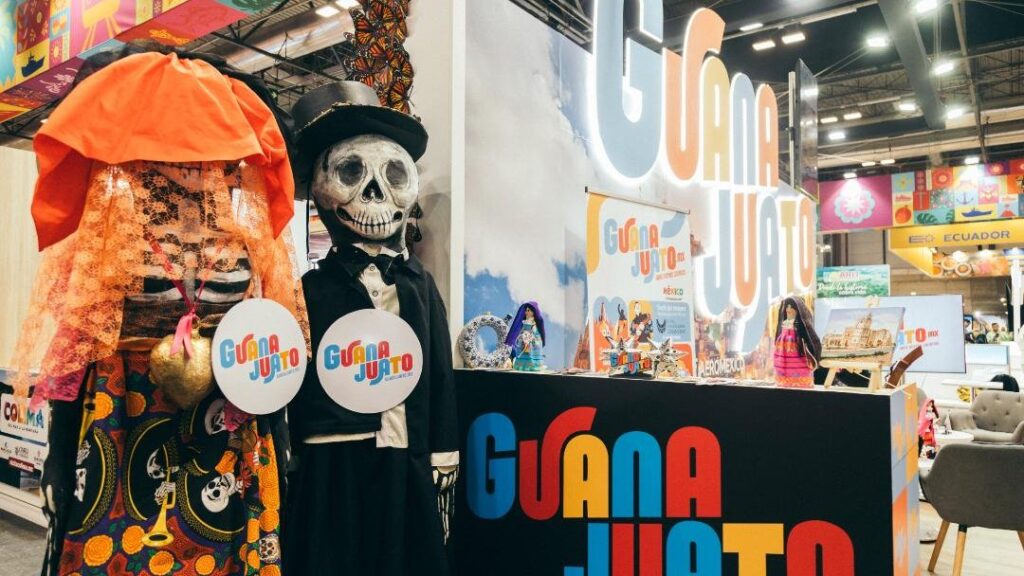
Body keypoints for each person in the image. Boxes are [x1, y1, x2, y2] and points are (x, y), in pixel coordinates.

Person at [13, 47, 304, 576]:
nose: (191, 161)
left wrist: (279, 437)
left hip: (222, 426)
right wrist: (57, 455)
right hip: (124, 418)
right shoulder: (113, 234)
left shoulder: (245, 240)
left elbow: (268, 336)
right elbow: (78, 343)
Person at [772, 296, 822, 388]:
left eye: (791, 307)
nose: (788, 309)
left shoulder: (802, 327)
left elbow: (814, 342)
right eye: (787, 306)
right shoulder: (783, 325)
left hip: (799, 359)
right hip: (783, 359)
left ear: (798, 310)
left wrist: (815, 357)